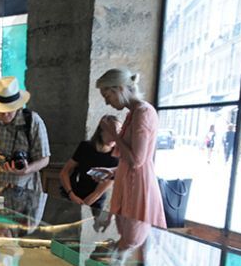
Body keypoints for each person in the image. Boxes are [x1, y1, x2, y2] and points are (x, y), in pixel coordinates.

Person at [93, 68, 166, 229]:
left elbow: (136, 161)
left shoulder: (143, 112)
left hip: (139, 186)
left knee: (133, 239)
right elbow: (130, 160)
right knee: (127, 238)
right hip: (130, 182)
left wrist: (113, 133)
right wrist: (112, 172)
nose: (107, 102)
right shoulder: (133, 113)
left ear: (119, 88)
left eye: (107, 96)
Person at [0, 76, 51, 195]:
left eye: (9, 109)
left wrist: (28, 169)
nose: (5, 114)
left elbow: (44, 159)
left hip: (24, 190)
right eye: (1, 109)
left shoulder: (33, 121)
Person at [59, 115, 120, 209]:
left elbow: (99, 192)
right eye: (111, 132)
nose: (116, 136)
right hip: (74, 194)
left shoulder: (117, 156)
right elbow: (64, 172)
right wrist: (71, 194)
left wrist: (82, 205)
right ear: (101, 131)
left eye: (119, 132)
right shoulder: (85, 147)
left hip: (95, 201)